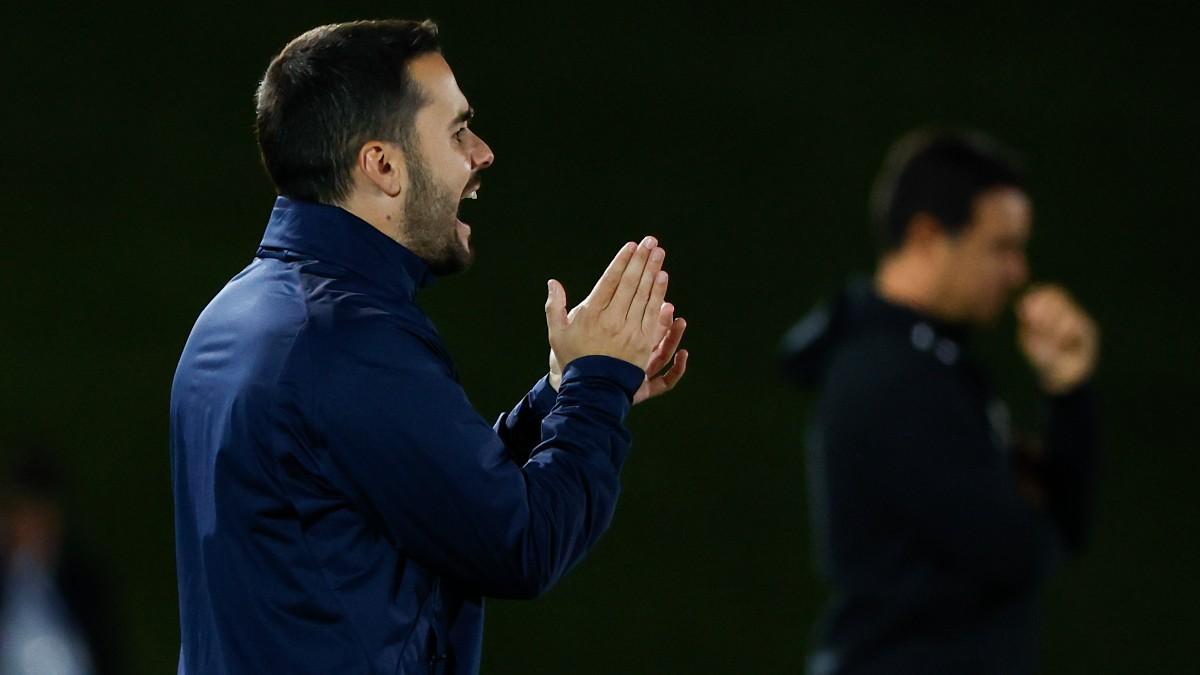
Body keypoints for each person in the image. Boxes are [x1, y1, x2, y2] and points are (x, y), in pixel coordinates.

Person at [170, 19, 688, 675]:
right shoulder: (345, 339)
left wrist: (565, 389)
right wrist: (597, 388)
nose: (482, 153)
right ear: (382, 164)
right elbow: (519, 541)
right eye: (457, 131)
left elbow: (431, 490)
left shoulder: (241, 313)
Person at [781, 130, 1100, 674]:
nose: (1018, 272)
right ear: (928, 236)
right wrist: (1034, 508)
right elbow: (1021, 552)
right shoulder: (889, 376)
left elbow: (1056, 524)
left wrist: (1069, 391)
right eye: (1001, 246)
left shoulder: (932, 361)